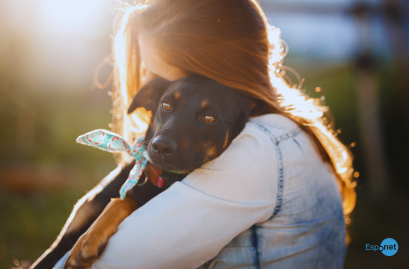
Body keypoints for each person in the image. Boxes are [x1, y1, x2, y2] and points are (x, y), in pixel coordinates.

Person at [54, 0, 357, 268]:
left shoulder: (253, 153)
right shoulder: (283, 129)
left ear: (211, 72)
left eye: (158, 74)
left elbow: (106, 264)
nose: (148, 84)